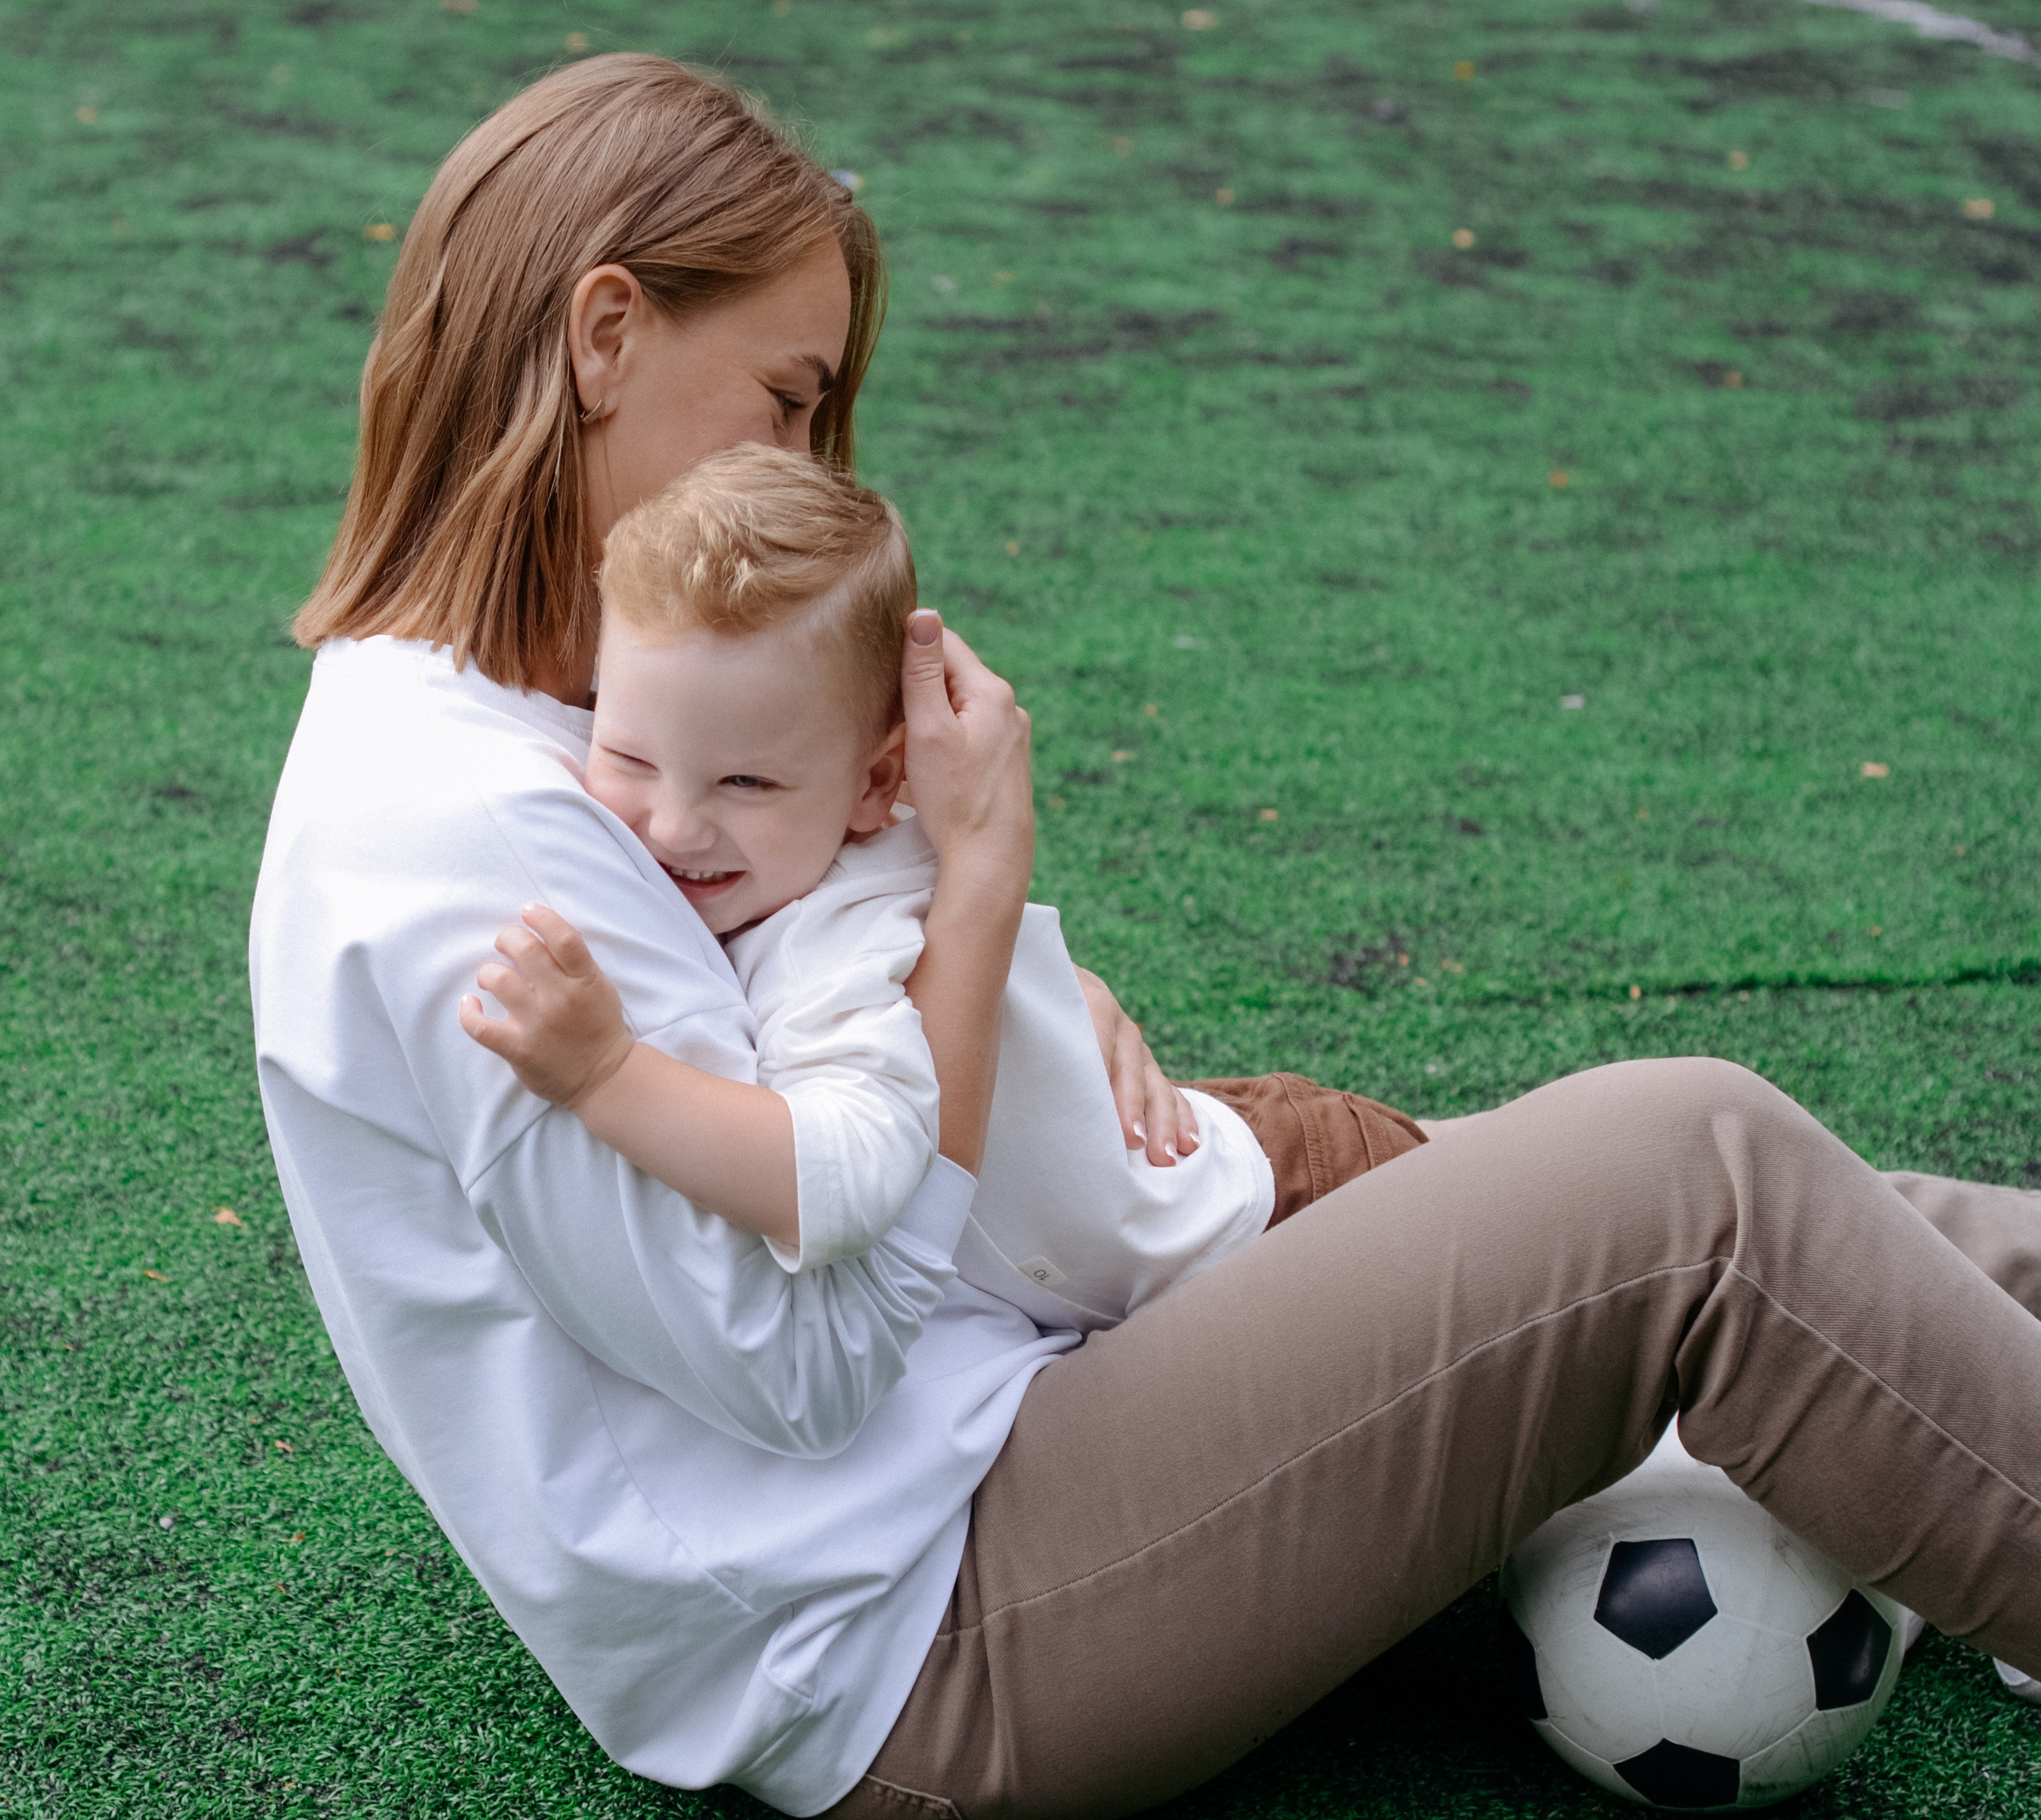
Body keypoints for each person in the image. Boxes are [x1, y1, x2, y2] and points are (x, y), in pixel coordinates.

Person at [251, 51, 2041, 1820]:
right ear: (604, 334)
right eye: (785, 399)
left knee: (1646, 1191)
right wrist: (970, 899)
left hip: (1000, 1423)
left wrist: (1018, 988)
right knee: (1686, 1177)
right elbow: (797, 1368)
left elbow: (794, 1023)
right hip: (923, 1625)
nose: (804, 464)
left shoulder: (537, 711)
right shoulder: (461, 845)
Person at [455, 443, 1424, 1331]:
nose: (672, 825)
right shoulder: (755, 859)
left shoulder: (833, 929)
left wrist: (606, 1076)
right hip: (1192, 1213)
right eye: (626, 754)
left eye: (745, 782)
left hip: (1288, 1206)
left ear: (879, 783)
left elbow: (844, 1179)